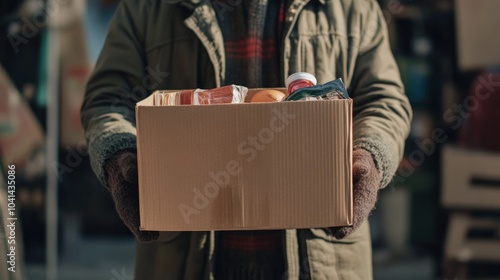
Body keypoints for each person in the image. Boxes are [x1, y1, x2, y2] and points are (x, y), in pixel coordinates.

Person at [81, 0, 412, 278]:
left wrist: (371, 155)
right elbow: (109, 97)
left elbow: (384, 99)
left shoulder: (350, 6)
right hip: (185, 257)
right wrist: (117, 153)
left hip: (321, 259)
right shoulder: (149, 6)